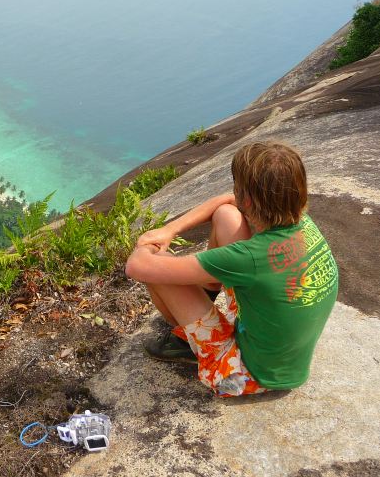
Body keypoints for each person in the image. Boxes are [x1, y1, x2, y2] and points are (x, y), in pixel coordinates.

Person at [125, 141, 338, 397]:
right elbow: (226, 202)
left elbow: (137, 267)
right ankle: (207, 296)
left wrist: (147, 244)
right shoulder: (302, 222)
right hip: (281, 358)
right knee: (226, 214)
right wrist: (169, 230)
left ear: (246, 200)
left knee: (158, 265)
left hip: (246, 376)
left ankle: (188, 342)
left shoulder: (248, 258)